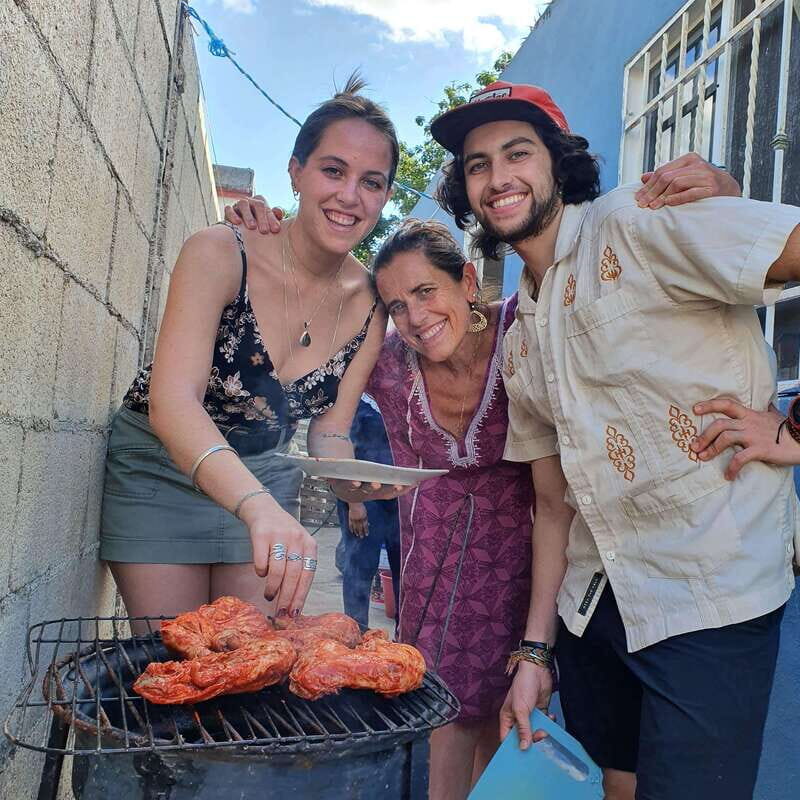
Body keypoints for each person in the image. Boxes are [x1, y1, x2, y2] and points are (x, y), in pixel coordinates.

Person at [428, 80, 800, 800]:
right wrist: (535, 651)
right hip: (592, 608)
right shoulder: (519, 337)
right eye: (478, 164)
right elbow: (551, 504)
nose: (498, 177)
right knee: (614, 789)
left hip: (707, 595)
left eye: (517, 152)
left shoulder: (637, 223)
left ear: (558, 163)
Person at [99, 74, 399, 629]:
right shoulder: (218, 251)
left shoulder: (371, 306)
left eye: (373, 181)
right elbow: (172, 401)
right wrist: (255, 506)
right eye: (334, 170)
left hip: (266, 476)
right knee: (178, 657)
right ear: (297, 171)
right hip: (160, 470)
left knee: (249, 660)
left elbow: (330, 431)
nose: (350, 196)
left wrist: (350, 479)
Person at [335, 394, 401, 629]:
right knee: (360, 564)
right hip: (361, 495)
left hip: (399, 496)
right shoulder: (357, 400)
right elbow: (342, 447)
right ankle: (356, 633)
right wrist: (354, 504)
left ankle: (404, 637)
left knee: (403, 566)